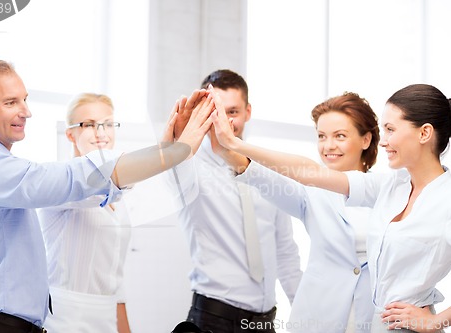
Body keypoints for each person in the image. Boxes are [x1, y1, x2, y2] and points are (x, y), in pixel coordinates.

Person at [0, 58, 213, 333]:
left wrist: (168, 150)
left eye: (25, 99)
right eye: (10, 102)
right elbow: (73, 179)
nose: (26, 111)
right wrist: (172, 151)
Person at [210, 83, 451, 333]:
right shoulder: (392, 185)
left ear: (424, 133)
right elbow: (311, 173)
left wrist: (437, 320)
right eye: (322, 136)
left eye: (391, 130)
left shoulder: (446, 198)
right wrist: (234, 145)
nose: (385, 141)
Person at [221, 92, 379, 332]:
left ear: (366, 140)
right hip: (318, 318)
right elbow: (255, 172)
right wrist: (224, 145)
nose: (329, 146)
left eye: (340, 136)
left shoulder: (387, 191)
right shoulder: (309, 192)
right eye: (322, 136)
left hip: (374, 318)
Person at [169, 69, 302, 333]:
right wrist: (180, 140)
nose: (225, 121)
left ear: (247, 112)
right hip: (212, 319)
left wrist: (303, 310)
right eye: (215, 111)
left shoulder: (266, 169)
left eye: (232, 112)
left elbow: (285, 250)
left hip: (265, 323)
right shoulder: (189, 168)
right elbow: (171, 163)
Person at [37, 93, 132, 332]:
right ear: (71, 134)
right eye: (89, 125)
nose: (101, 132)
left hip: (107, 317)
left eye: (108, 124)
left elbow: (115, 280)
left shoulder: (118, 200)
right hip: (65, 318)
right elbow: (91, 189)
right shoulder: (59, 183)